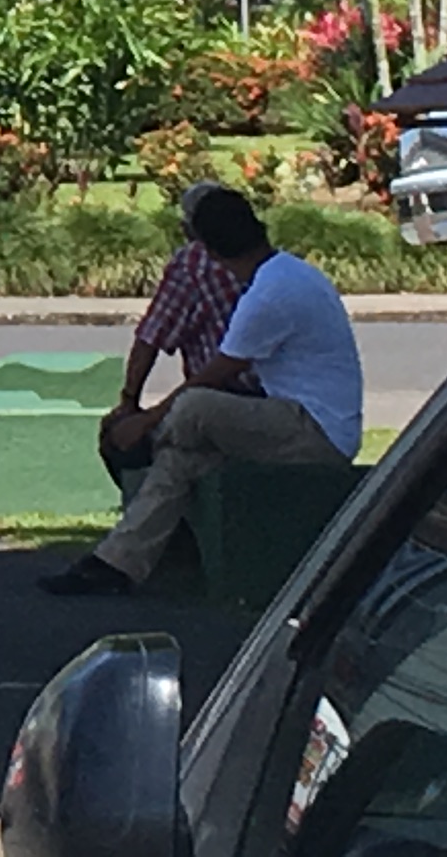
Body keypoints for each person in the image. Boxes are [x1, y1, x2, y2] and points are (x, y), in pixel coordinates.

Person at [43, 186, 361, 596]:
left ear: (206, 249)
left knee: (194, 408)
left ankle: (144, 444)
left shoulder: (267, 294)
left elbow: (213, 375)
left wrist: (144, 421)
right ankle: (116, 563)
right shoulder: (288, 273)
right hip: (301, 421)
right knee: (182, 460)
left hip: (316, 432)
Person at [99, 180, 263, 480]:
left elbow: (151, 337)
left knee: (121, 436)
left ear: (189, 229)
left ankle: (151, 508)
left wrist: (129, 402)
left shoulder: (193, 263)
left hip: (224, 397)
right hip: (275, 400)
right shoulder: (263, 257)